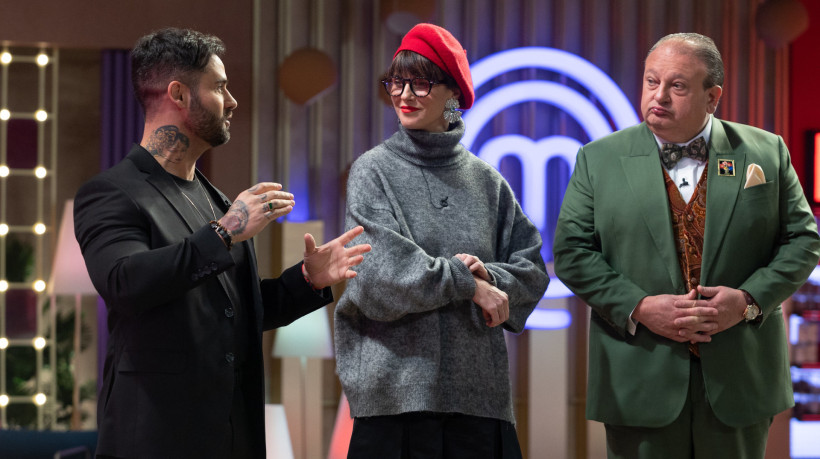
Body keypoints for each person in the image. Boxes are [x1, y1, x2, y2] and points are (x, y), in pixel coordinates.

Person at [73, 27, 371, 459]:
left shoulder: (215, 199)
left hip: (232, 437)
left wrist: (307, 279)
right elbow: (124, 283)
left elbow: (231, 311)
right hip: (156, 440)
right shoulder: (112, 192)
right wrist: (224, 231)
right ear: (178, 94)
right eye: (219, 87)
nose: (231, 102)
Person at [553, 32, 820, 458]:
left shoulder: (766, 152)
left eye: (677, 86)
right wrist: (639, 306)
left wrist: (748, 300)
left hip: (741, 377)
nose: (658, 96)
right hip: (637, 376)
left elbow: (804, 240)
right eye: (650, 81)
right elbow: (572, 254)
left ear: (712, 97)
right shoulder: (597, 159)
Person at [334, 23, 549, 458]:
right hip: (394, 402)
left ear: (454, 95)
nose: (404, 95)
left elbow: (532, 271)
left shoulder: (487, 181)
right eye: (397, 82)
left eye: (421, 83)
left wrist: (487, 274)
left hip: (480, 402)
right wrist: (468, 283)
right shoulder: (372, 171)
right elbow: (379, 277)